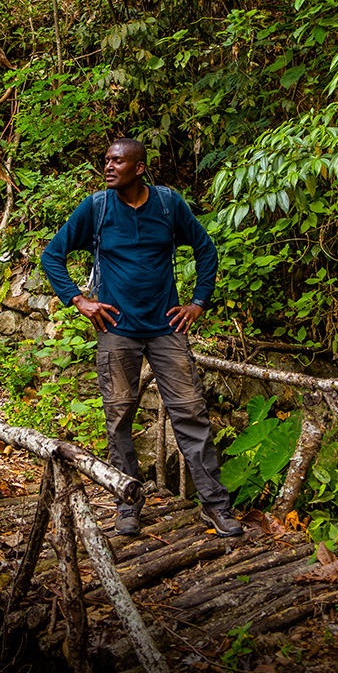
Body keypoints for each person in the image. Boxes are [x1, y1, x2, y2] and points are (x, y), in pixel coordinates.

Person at [40, 138, 243, 537]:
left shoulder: (168, 205)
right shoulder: (96, 208)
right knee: (119, 419)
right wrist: (79, 301)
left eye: (117, 161)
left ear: (139, 168)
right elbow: (53, 255)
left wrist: (198, 302)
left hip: (167, 329)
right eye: (106, 160)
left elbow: (205, 249)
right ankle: (127, 503)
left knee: (191, 415)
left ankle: (216, 507)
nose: (108, 167)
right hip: (116, 332)